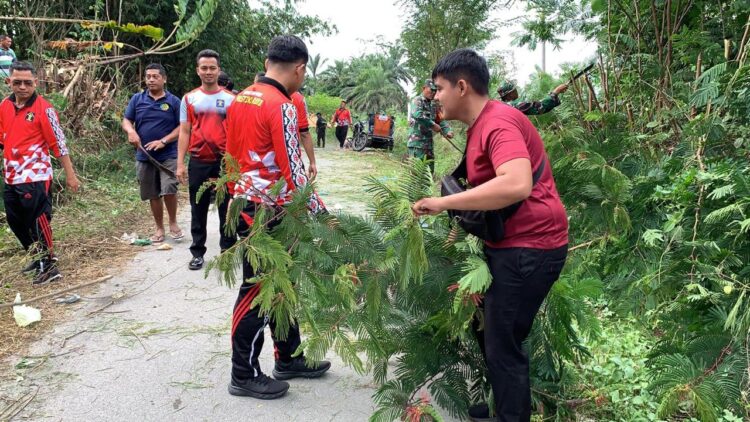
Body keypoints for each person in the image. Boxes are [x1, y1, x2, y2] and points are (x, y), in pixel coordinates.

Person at [412, 49, 569, 421]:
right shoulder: (483, 124)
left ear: (462, 86)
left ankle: (510, 414)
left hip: (530, 247)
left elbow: (516, 184)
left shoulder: (498, 123)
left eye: (439, 89)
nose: (435, 97)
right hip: (511, 244)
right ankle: (506, 403)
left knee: (503, 345)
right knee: (486, 327)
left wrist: (443, 203)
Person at [225, 34, 329, 400]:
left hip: (248, 202)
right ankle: (243, 373)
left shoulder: (241, 97)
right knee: (258, 289)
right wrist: (322, 213)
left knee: (284, 286)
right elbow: (293, 168)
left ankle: (289, 356)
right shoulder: (281, 104)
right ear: (300, 68)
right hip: (265, 211)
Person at [0, 61, 80, 284]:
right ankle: (37, 258)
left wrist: (71, 175)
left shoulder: (45, 109)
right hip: (12, 175)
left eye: (27, 82)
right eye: (17, 82)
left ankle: (50, 265)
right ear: (9, 82)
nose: (22, 87)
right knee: (16, 221)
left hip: (35, 175)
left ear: (36, 83)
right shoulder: (4, 106)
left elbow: (59, 144)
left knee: (38, 220)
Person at [175, 49, 236, 271]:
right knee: (197, 206)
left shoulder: (231, 100)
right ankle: (197, 252)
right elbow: (184, 131)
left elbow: (238, 133)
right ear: (197, 71)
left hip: (225, 162)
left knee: (225, 207)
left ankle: (227, 250)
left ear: (218, 70)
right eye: (204, 68)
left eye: (212, 68)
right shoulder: (189, 99)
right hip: (199, 159)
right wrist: (180, 163)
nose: (208, 72)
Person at [122, 63, 183, 245]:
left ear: (164, 79)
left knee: (169, 190)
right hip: (144, 156)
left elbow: (183, 127)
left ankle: (173, 222)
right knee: (152, 194)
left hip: (168, 155)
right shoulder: (137, 99)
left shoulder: (174, 102)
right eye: (148, 76)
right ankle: (159, 227)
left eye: (155, 76)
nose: (150, 80)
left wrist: (164, 140)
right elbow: (126, 120)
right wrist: (130, 131)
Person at [255, 71, 317, 178]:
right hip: (290, 158)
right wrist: (312, 162)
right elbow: (304, 133)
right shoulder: (298, 98)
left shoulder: (251, 96)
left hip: (258, 160)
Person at [407, 79, 453, 172]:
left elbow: (440, 119)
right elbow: (418, 115)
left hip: (428, 145)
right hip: (417, 145)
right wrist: (432, 125)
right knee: (417, 174)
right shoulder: (417, 100)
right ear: (424, 88)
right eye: (431, 90)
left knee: (428, 174)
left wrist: (447, 130)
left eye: (435, 90)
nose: (433, 92)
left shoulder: (433, 105)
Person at [497, 80, 568, 116]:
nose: (517, 92)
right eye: (515, 90)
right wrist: (556, 91)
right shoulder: (515, 105)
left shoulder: (504, 106)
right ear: (510, 95)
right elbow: (540, 107)